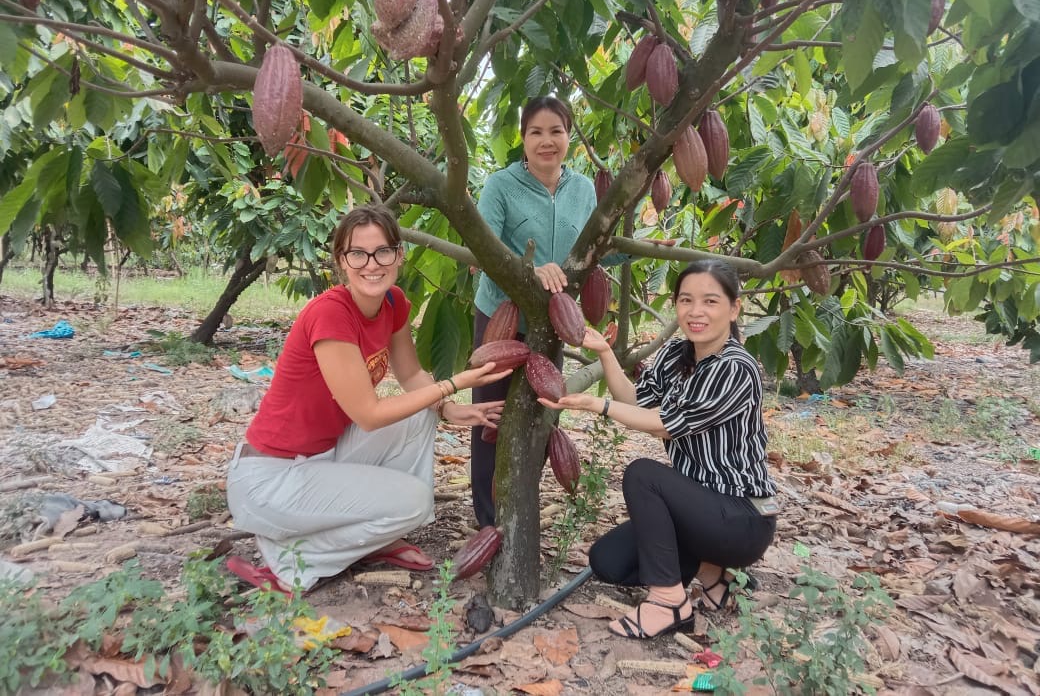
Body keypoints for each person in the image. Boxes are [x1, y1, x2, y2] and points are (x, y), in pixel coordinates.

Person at [225, 205, 510, 593]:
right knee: (414, 503)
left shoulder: (393, 303)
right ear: (341, 261)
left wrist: (448, 408)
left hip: (319, 459)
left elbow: (410, 375)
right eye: (357, 253)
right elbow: (368, 415)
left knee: (420, 415)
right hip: (269, 481)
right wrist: (453, 384)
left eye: (382, 252)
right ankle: (291, 562)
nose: (371, 264)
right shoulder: (330, 314)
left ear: (399, 255)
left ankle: (377, 536)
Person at [539, 260, 777, 639]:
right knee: (608, 562)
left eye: (710, 301)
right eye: (686, 300)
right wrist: (605, 353)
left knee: (643, 476)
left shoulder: (735, 368)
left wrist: (596, 405)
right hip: (699, 510)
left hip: (743, 518)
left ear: (734, 309)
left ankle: (669, 603)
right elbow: (635, 402)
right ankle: (715, 575)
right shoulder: (676, 355)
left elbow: (665, 424)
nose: (696, 311)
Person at [469, 96, 602, 528]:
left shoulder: (583, 189)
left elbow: (593, 250)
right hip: (502, 317)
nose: (547, 141)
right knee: (491, 419)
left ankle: (518, 508)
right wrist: (531, 269)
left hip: (551, 324)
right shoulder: (501, 186)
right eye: (536, 132)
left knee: (539, 416)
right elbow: (482, 253)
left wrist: (643, 247)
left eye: (556, 131)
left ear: (569, 137)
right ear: (523, 139)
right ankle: (489, 522)